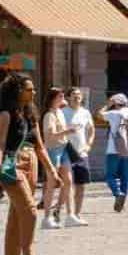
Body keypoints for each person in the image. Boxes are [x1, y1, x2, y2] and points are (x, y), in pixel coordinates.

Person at [0, 75, 48, 255]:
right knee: (30, 211)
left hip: (31, 163)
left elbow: (40, 146)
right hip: (12, 165)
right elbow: (0, 145)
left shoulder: (32, 115)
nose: (34, 93)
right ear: (18, 91)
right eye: (29, 89)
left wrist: (52, 172)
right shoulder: (6, 114)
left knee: (16, 215)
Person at [97, 93, 128, 213]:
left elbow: (99, 115)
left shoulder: (114, 114)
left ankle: (118, 194)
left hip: (113, 150)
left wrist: (107, 104)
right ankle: (121, 204)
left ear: (115, 104)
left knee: (110, 176)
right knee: (125, 178)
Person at [37, 87, 74, 230]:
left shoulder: (60, 112)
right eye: (60, 96)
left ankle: (63, 212)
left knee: (69, 181)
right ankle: (46, 218)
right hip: (53, 150)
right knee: (51, 183)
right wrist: (67, 131)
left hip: (64, 148)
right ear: (53, 98)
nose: (63, 98)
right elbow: (50, 135)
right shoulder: (49, 115)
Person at [61, 89, 95, 225]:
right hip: (66, 152)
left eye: (79, 95)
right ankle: (62, 212)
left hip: (82, 154)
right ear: (68, 98)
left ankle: (77, 214)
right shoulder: (63, 113)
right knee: (67, 185)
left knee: (81, 186)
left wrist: (89, 144)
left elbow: (91, 129)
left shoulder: (85, 112)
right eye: (74, 95)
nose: (77, 98)